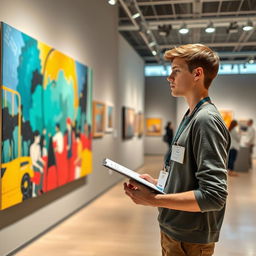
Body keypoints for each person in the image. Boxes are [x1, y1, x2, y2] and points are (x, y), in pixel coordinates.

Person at [124, 44, 230, 256]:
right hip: (177, 232)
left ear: (197, 74)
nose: (168, 77)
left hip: (189, 239)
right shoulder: (191, 115)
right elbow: (187, 174)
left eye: (176, 70)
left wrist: (153, 200)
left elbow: (214, 195)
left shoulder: (205, 120)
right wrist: (157, 185)